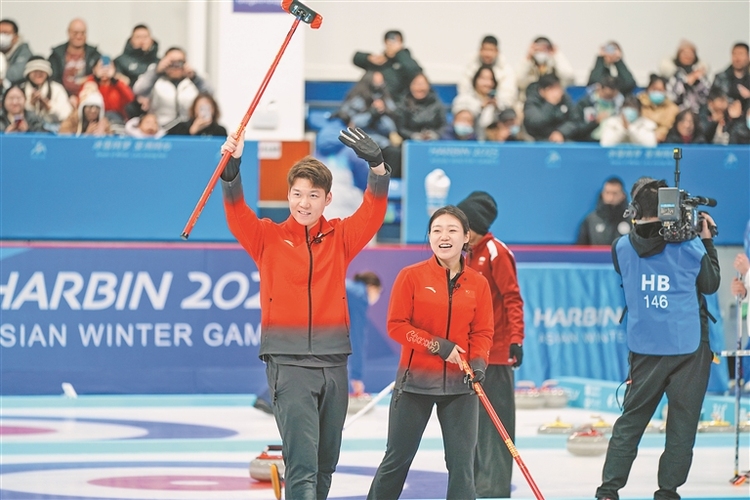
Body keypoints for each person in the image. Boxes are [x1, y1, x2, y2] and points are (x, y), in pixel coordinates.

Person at [219, 126, 390, 500]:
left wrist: (377, 166)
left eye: (313, 195)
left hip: (333, 362)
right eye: (298, 194)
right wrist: (232, 164)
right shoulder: (266, 237)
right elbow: (236, 213)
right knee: (302, 464)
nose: (304, 203)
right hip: (289, 362)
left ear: (327, 199)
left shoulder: (341, 237)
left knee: (326, 462)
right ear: (289, 196)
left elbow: (374, 213)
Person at [594, 177, 720, 500]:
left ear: (634, 210)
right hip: (688, 347)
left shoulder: (620, 247)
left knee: (630, 422)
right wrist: (706, 242)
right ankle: (667, 491)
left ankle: (608, 490)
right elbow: (710, 284)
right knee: (681, 425)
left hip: (645, 346)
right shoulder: (689, 245)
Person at [367, 205, 493, 500]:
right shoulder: (411, 276)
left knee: (462, 467)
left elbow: (483, 332)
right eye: (437, 230)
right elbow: (396, 325)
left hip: (461, 389)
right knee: (396, 460)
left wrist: (478, 364)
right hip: (415, 385)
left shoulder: (478, 284)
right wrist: (438, 345)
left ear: (466, 237)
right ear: (429, 237)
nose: (443, 236)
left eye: (451, 230)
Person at [456, 192, 524, 499]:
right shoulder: (464, 254)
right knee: (472, 426)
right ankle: (475, 485)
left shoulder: (496, 252)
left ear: (475, 226)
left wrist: (515, 340)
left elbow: (512, 298)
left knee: (496, 426)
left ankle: (495, 489)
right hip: (469, 357)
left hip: (495, 356)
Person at [132, 47, 212, 128]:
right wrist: (156, 71)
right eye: (172, 63)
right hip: (160, 130)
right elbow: (138, 90)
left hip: (189, 130)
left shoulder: (194, 81)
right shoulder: (156, 80)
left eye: (180, 62)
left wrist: (194, 78)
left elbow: (210, 96)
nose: (176, 66)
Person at [338, 71, 399, 149]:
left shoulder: (387, 101)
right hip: (359, 142)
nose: (379, 85)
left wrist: (381, 113)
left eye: (381, 82)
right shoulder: (356, 100)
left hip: (383, 143)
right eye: (376, 82)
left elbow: (391, 129)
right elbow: (353, 124)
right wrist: (371, 114)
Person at [353, 30, 422, 98]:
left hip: (398, 101)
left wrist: (399, 53)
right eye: (389, 42)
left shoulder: (405, 60)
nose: (392, 45)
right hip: (375, 99)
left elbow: (415, 70)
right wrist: (369, 57)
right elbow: (357, 59)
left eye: (396, 41)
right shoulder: (381, 61)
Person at [346, 271, 383, 396]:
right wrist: (357, 378)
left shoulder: (350, 289)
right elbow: (357, 339)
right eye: (379, 292)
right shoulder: (359, 295)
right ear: (372, 287)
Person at [458, 35, 518, 111]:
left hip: (499, 109)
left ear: (497, 52)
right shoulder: (470, 67)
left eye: (491, 50)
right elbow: (464, 92)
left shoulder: (506, 70)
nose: (487, 54)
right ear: (480, 50)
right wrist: (479, 106)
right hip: (472, 109)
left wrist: (495, 103)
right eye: (485, 50)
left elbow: (508, 96)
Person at [48, 18, 101, 100]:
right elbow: (53, 80)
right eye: (75, 33)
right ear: (68, 33)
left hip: (89, 96)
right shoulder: (56, 56)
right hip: (61, 97)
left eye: (83, 33)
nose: (79, 36)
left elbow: (102, 77)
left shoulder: (95, 55)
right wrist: (68, 96)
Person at [452, 65, 503, 141]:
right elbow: (461, 123)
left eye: (491, 79)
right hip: (469, 141)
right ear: (476, 80)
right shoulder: (464, 99)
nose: (487, 83)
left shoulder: (498, 102)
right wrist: (481, 108)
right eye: (483, 78)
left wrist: (497, 109)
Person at [19, 56, 72, 129]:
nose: (38, 74)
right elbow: (14, 115)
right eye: (35, 71)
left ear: (47, 73)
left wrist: (49, 107)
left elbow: (66, 115)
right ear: (28, 73)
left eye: (41, 71)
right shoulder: (20, 90)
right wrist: (30, 105)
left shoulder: (57, 89)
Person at [576, 177, 632, 246]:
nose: (611, 198)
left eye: (615, 193)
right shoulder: (590, 221)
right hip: (596, 257)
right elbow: (580, 250)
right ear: (602, 194)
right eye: (608, 193)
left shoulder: (631, 221)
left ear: (623, 195)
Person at [659, 40, 710, 114]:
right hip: (678, 113)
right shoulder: (673, 73)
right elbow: (671, 96)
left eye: (691, 53)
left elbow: (706, 95)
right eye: (684, 53)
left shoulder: (700, 73)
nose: (688, 56)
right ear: (678, 55)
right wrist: (686, 83)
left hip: (698, 113)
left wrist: (696, 81)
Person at [517, 36, 575, 100]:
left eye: (544, 49)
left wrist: (557, 55)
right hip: (529, 102)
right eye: (538, 50)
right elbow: (519, 82)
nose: (541, 52)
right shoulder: (528, 65)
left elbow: (569, 76)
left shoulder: (554, 65)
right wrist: (528, 58)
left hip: (552, 102)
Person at [523, 73, 576, 142]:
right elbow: (535, 122)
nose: (557, 93)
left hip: (562, 139)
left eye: (558, 88)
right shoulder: (532, 101)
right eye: (552, 89)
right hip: (537, 140)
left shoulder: (565, 99)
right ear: (542, 91)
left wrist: (561, 132)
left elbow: (574, 120)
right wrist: (550, 104)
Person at [394, 72, 446, 142]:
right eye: (415, 84)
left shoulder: (437, 104)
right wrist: (413, 135)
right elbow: (401, 128)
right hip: (410, 142)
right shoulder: (404, 105)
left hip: (434, 142)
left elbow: (444, 125)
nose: (419, 88)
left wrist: (435, 134)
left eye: (422, 84)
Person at [571, 75, 624, 142]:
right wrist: (595, 122)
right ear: (599, 89)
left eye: (612, 96)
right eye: (607, 95)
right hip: (589, 142)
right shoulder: (584, 104)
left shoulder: (621, 105)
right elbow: (577, 129)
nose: (608, 99)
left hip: (613, 142)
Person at [84, 55, 134, 124]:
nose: (105, 71)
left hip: (115, 117)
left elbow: (130, 98)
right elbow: (82, 100)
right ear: (94, 69)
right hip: (94, 116)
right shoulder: (89, 82)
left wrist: (117, 82)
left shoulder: (118, 83)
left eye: (108, 68)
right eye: (101, 67)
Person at [638, 74, 679, 143]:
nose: (657, 92)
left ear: (665, 91)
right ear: (648, 89)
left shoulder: (673, 108)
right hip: (642, 141)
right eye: (654, 89)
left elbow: (673, 128)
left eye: (660, 90)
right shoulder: (639, 105)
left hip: (666, 142)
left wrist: (661, 133)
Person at [711, 42, 750, 112]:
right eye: (734, 54)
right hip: (725, 118)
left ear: (748, 57)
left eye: (741, 54)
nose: (737, 58)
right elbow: (711, 101)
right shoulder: (720, 78)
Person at [0, 19, 33, 85]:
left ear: (16, 37)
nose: (1, 36)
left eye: (5, 33)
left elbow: (15, 75)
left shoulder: (24, 53)